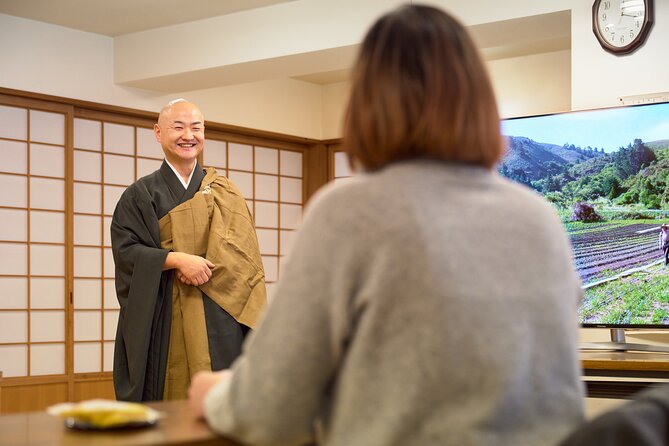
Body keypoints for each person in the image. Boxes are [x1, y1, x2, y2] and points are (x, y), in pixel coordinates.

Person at [188, 5, 585, 446]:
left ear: (366, 103)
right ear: (479, 101)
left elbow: (272, 410)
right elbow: (562, 398)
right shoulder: (539, 218)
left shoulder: (351, 212)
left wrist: (217, 396)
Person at [111, 99, 266, 402]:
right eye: (178, 127)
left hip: (220, 312)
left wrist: (210, 268)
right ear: (158, 133)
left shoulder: (225, 191)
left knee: (224, 400)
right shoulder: (140, 195)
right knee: (167, 396)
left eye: (196, 128)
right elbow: (126, 252)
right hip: (165, 308)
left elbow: (245, 257)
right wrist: (176, 260)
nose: (188, 135)